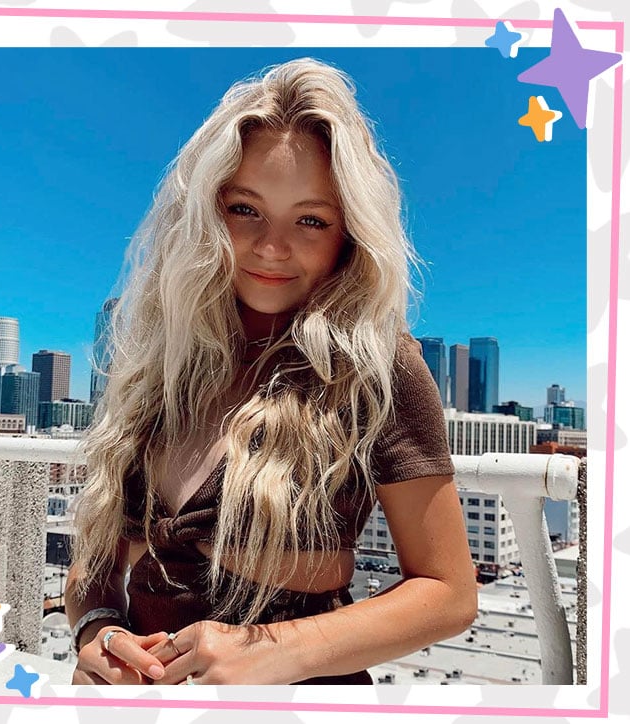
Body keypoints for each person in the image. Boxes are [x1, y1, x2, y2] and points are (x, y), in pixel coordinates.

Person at [65, 57, 477, 685]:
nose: (271, 247)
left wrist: (273, 648)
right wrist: (98, 631)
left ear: (349, 236)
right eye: (245, 209)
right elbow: (97, 559)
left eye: (310, 219)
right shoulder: (162, 362)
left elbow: (449, 593)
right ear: (205, 212)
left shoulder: (373, 367)